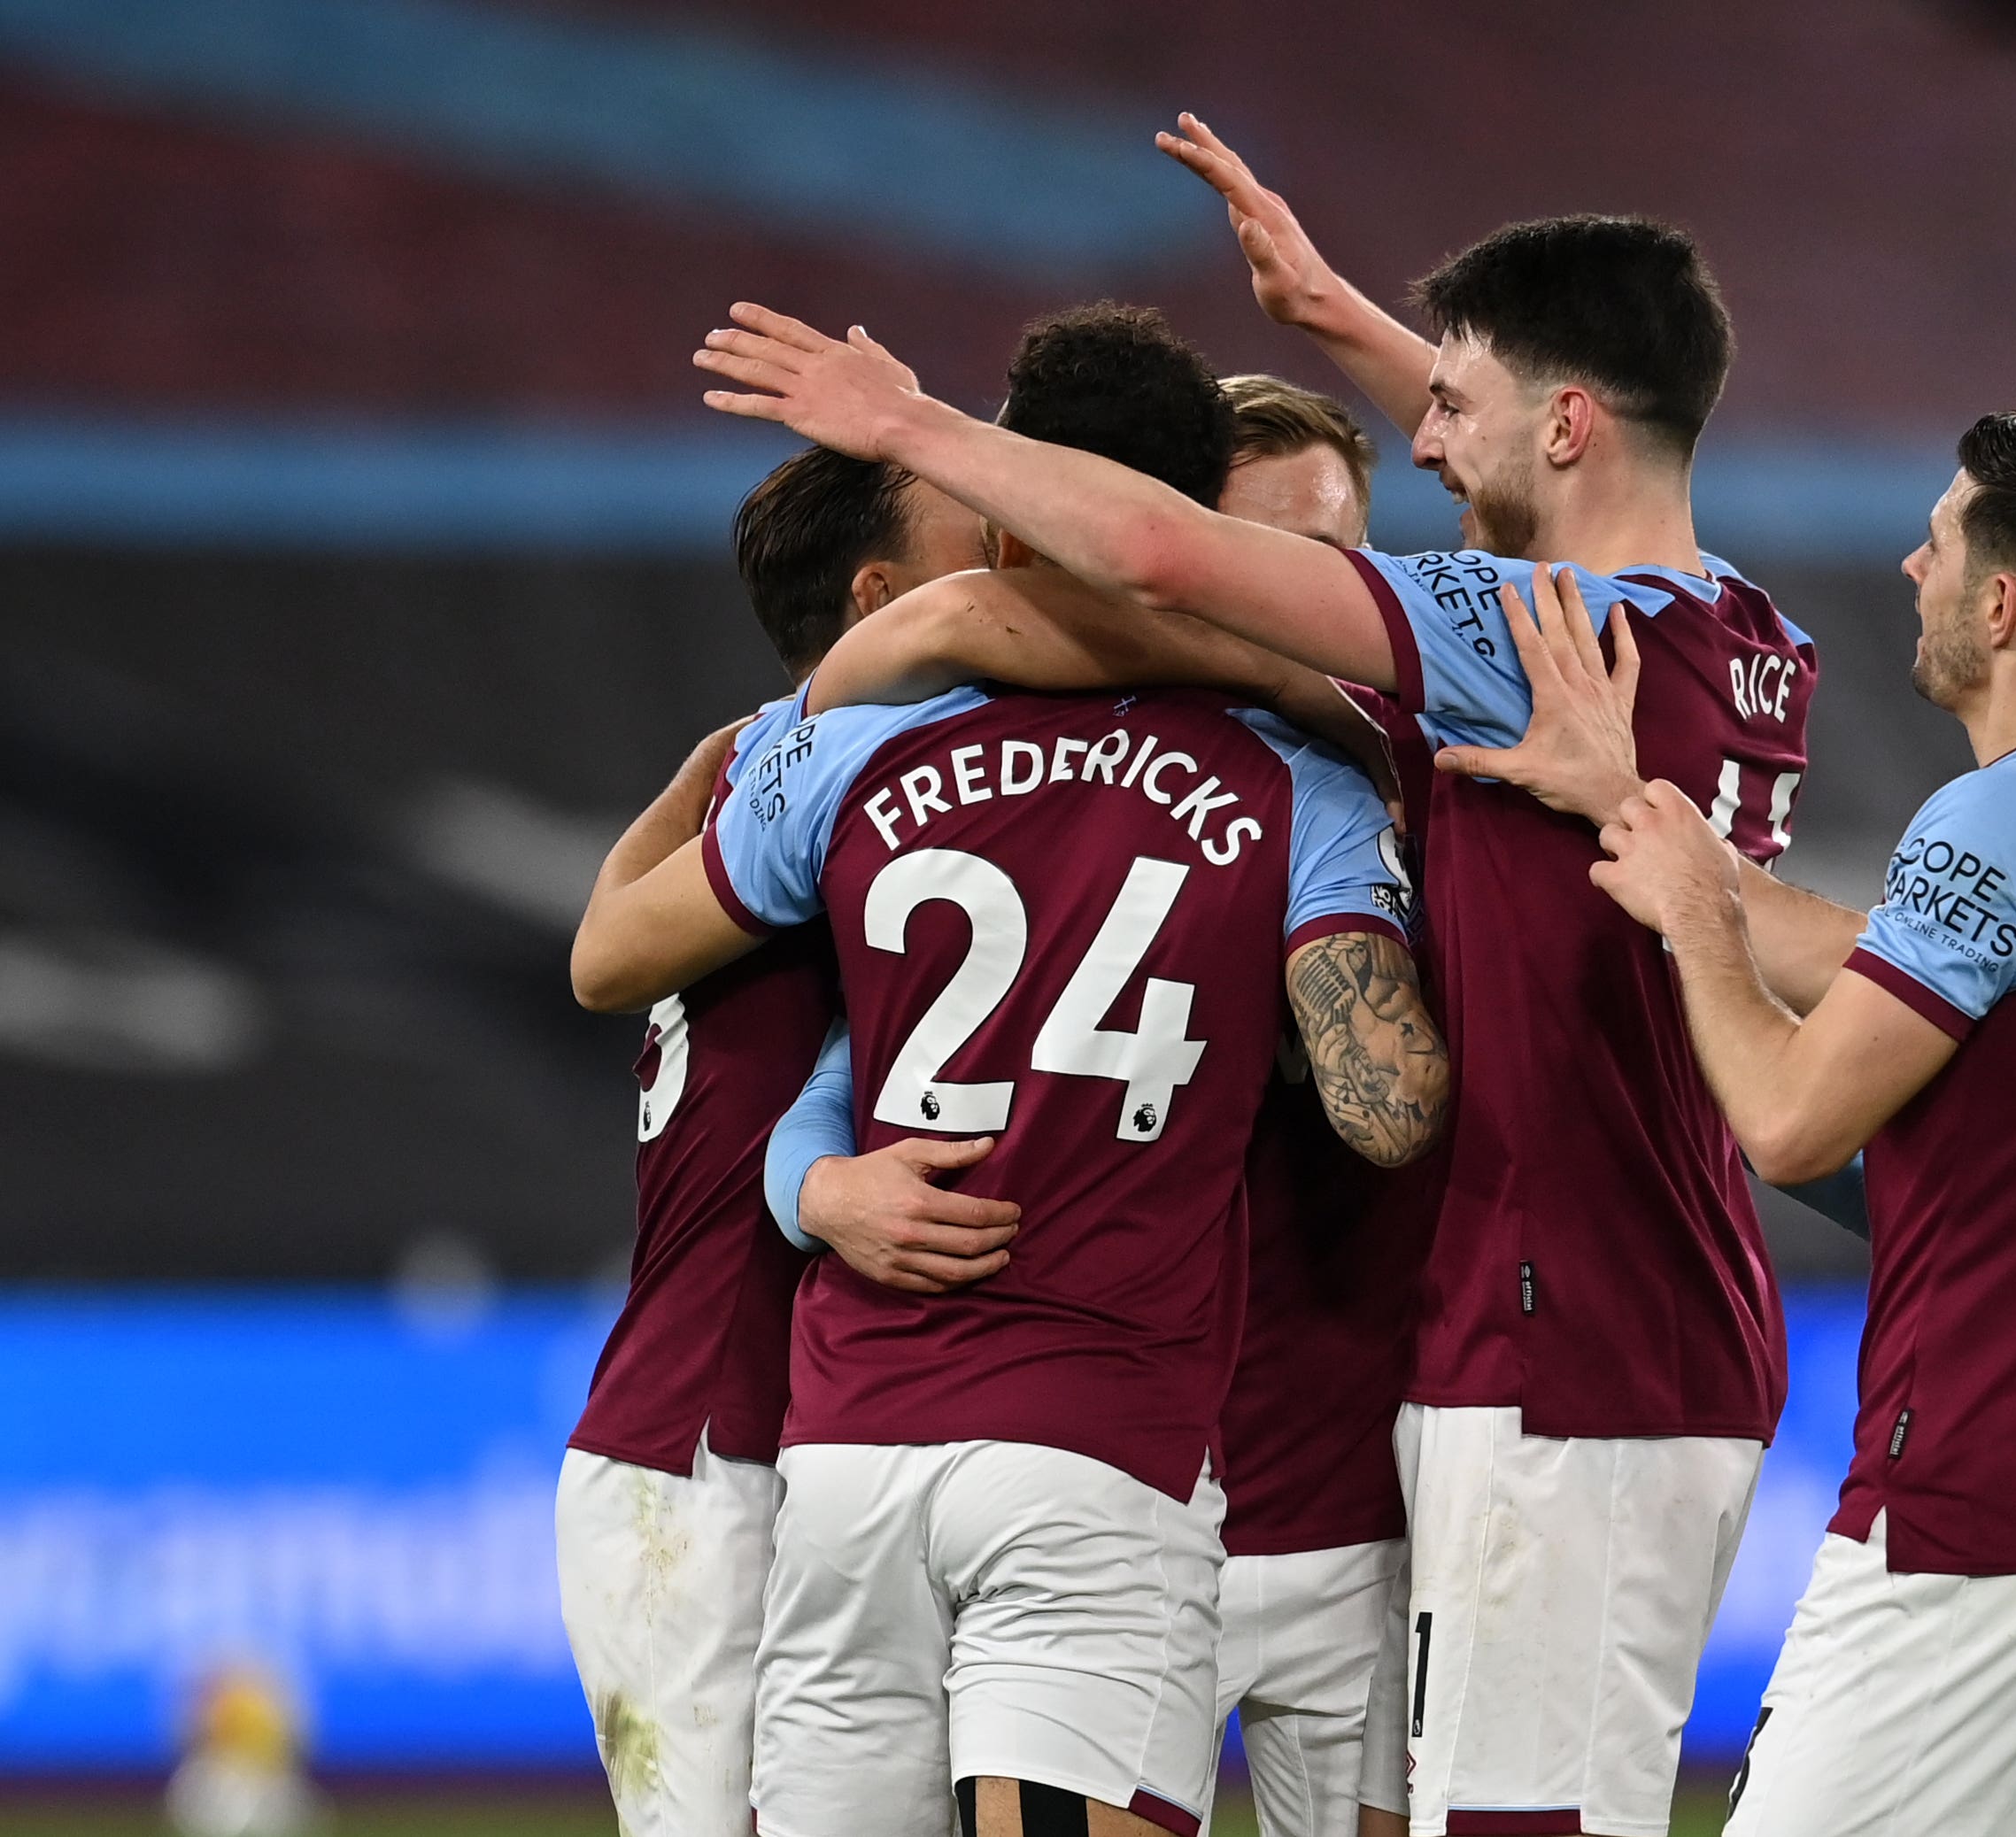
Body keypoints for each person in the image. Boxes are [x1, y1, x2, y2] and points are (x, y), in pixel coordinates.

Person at [692, 150, 1813, 1836]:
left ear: (1569, 423)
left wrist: (913, 425)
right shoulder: (1745, 633)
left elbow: (1159, 558)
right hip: (1643, 1317)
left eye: (1452, 407)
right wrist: (1345, 322)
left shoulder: (1516, 636)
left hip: (1552, 1346)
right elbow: (1532, 468)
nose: (1424, 443)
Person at [574, 304, 1451, 1837]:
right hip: (1099, 1449)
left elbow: (615, 964)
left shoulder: (836, 749)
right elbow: (1388, 1108)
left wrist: (810, 1175)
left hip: (845, 1455)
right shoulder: (1312, 778)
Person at [1465, 411, 2016, 1837]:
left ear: (2000, 605)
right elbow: (1943, 1053)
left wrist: (1695, 920)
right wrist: (1641, 814)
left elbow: (1782, 1121)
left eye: (1942, 537)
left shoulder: (1994, 822)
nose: (1912, 562)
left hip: (1972, 1534)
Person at [553, 445, 1016, 1837]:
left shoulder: (772, 761)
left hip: (801, 1432)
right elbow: (596, 963)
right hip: (709, 1442)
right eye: (976, 535)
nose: (1012, 552)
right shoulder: (857, 775)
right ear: (884, 594)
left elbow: (604, 944)